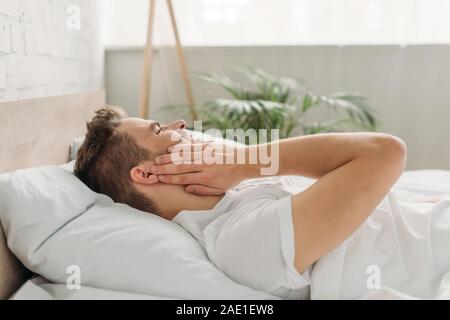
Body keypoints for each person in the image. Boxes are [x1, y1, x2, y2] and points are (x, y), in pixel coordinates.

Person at [75, 106, 407, 299]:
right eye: (160, 130)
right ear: (146, 174)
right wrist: (242, 161)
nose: (180, 125)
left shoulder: (239, 197)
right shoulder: (238, 240)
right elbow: (384, 152)